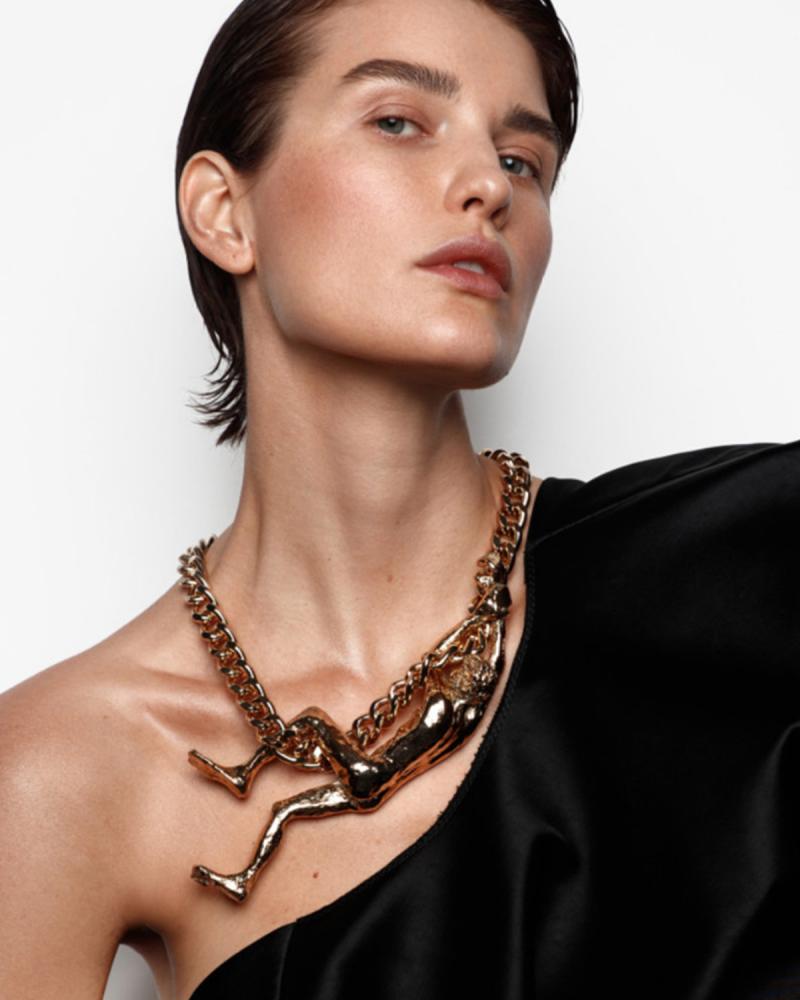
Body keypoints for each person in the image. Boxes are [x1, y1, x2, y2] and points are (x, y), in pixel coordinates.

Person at [1, 2, 797, 1000]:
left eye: (522, 160)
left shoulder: (745, 559)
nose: (487, 186)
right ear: (224, 212)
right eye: (398, 121)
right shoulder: (64, 767)